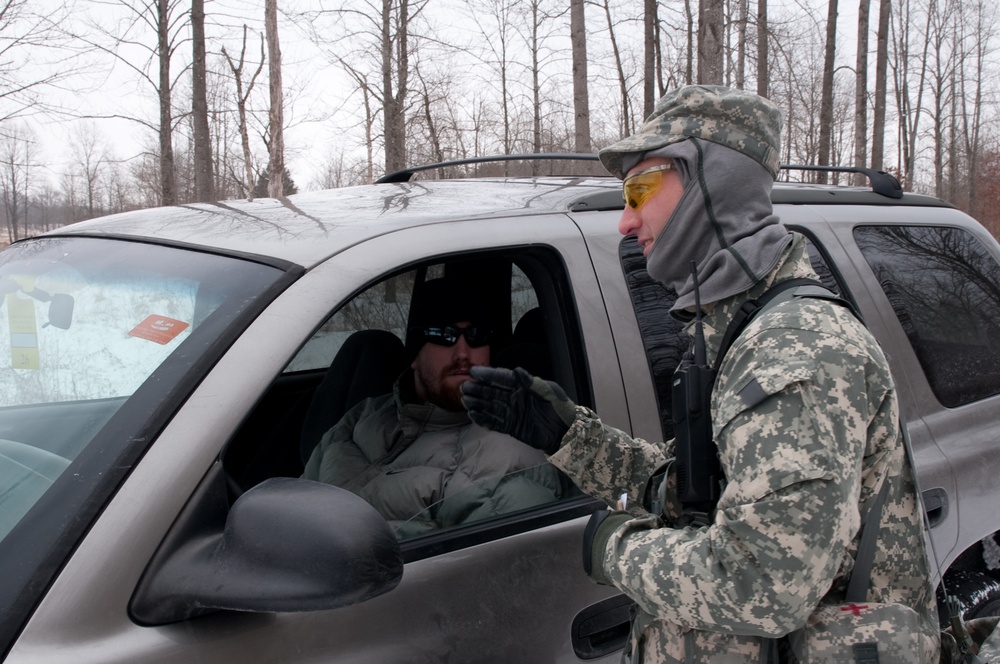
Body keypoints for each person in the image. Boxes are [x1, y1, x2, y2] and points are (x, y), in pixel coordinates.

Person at [461, 85, 940, 662]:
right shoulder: (733, 330)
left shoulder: (794, 350)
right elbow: (697, 493)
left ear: (711, 184)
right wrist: (569, 438)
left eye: (639, 190)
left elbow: (762, 583)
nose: (626, 221)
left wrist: (613, 548)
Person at [302, 276, 563, 539]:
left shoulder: (503, 468)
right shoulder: (364, 416)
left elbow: (495, 574)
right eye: (444, 335)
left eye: (476, 335)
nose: (463, 353)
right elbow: (296, 503)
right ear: (414, 354)